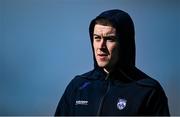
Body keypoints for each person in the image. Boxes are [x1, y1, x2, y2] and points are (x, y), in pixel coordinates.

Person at [55, 9, 170, 116]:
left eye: (109, 39)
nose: (101, 46)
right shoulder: (78, 86)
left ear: (124, 43)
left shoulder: (148, 91)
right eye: (97, 38)